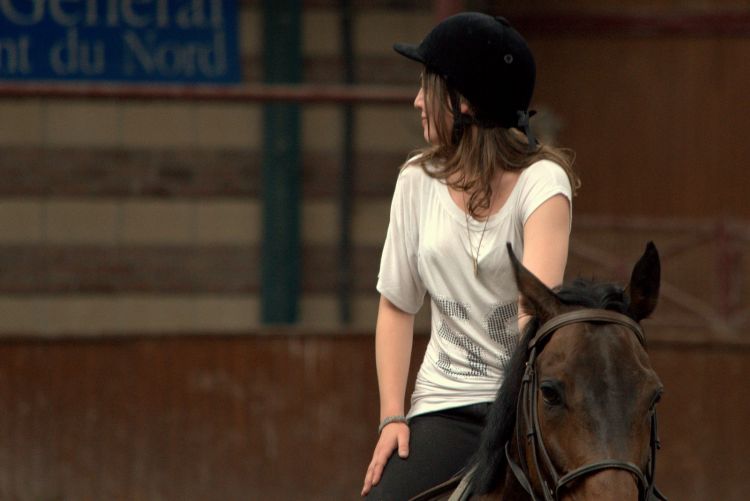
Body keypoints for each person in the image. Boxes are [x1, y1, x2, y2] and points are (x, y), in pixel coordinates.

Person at [360, 12, 580, 500]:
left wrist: (519, 419)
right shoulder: (415, 182)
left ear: (463, 102)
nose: (418, 101)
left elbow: (535, 316)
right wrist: (392, 417)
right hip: (445, 404)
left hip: (524, 402)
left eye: (428, 87)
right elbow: (397, 305)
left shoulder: (543, 184)